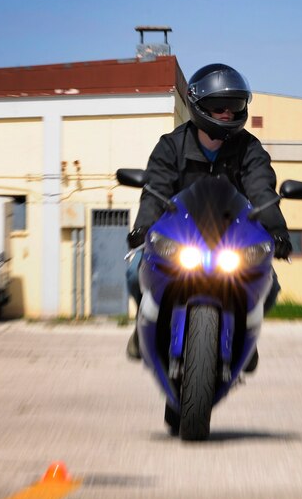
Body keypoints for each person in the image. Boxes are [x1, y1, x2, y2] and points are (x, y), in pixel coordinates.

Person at [124, 63, 292, 370]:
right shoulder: (171, 146)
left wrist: (277, 231)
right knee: (135, 271)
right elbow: (155, 189)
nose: (227, 114)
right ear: (199, 106)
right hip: (181, 238)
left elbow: (261, 188)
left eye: (234, 105)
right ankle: (142, 323)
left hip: (232, 240)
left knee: (271, 283)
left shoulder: (249, 149)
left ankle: (243, 336)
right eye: (218, 107)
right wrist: (142, 228)